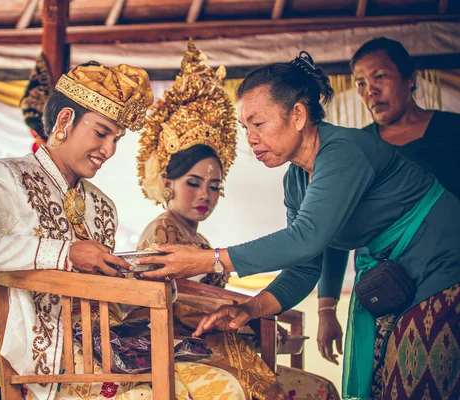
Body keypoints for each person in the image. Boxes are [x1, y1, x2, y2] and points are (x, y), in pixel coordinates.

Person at [136, 51, 460, 400]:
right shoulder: (296, 180)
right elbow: (305, 267)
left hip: (442, 257)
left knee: (418, 378)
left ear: (299, 115)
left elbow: (306, 238)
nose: (251, 139)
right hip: (396, 271)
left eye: (258, 124)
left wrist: (208, 259)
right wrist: (250, 308)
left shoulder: (343, 151)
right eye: (246, 129)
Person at [136, 40, 340, 400]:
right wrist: (248, 320)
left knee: (321, 388)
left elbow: (305, 250)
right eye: (194, 183)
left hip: (217, 348)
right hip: (186, 353)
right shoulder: (162, 232)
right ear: (168, 182)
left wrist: (250, 311)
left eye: (214, 186)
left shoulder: (196, 240)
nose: (205, 195)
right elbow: (175, 304)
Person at [0, 62, 157, 399]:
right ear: (65, 121)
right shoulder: (6, 176)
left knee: (202, 375)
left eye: (117, 139)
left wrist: (140, 276)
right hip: (49, 366)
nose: (110, 150)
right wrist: (63, 254)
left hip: (111, 348)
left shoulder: (102, 206)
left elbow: (104, 295)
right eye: (101, 133)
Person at [316, 37, 460, 398]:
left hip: (447, 285)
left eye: (379, 77)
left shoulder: (453, 132)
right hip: (383, 293)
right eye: (361, 83)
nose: (369, 91)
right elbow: (332, 230)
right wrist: (325, 309)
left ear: (411, 78)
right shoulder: (355, 148)